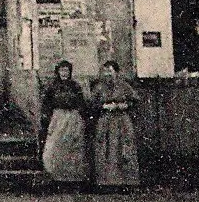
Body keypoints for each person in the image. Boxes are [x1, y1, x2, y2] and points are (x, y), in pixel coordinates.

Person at [90, 59, 140, 189]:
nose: (107, 74)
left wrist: (125, 105)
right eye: (105, 71)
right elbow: (92, 103)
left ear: (116, 72)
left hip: (121, 120)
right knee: (105, 148)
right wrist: (103, 106)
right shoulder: (99, 87)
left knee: (123, 146)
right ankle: (106, 182)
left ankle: (126, 182)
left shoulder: (124, 86)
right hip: (105, 119)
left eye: (110, 71)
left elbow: (135, 100)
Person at [39, 60, 90, 185]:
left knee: (73, 147)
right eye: (62, 70)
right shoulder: (52, 87)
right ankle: (56, 177)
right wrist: (47, 118)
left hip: (73, 117)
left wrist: (80, 116)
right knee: (55, 146)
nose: (64, 73)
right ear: (58, 71)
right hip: (58, 117)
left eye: (66, 70)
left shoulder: (75, 86)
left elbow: (81, 102)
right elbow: (46, 104)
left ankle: (72, 178)